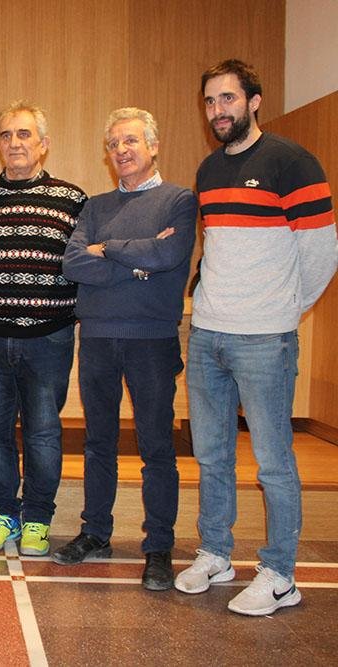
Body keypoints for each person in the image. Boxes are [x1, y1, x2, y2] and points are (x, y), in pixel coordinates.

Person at [175, 59, 337, 615]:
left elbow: (320, 252)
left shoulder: (293, 162)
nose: (218, 111)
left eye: (228, 99)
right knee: (212, 454)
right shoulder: (208, 171)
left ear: (254, 101)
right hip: (209, 335)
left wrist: (286, 310)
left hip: (265, 338)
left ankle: (279, 574)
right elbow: (217, 246)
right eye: (210, 102)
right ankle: (216, 552)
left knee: (273, 461)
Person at [58, 108, 197, 591]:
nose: (121, 150)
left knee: (157, 446)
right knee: (98, 443)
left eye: (131, 141)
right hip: (96, 337)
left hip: (152, 341)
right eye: (114, 143)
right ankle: (95, 531)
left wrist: (108, 249)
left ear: (153, 146)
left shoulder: (179, 199)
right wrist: (134, 259)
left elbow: (168, 256)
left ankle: (158, 545)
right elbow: (74, 264)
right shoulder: (94, 206)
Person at [0, 101, 87, 557]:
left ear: (43, 144)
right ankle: (2, 515)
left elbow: (86, 263)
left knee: (43, 432)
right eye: (6, 135)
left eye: (24, 134)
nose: (14, 143)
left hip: (49, 338)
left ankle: (36, 517)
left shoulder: (72, 200)